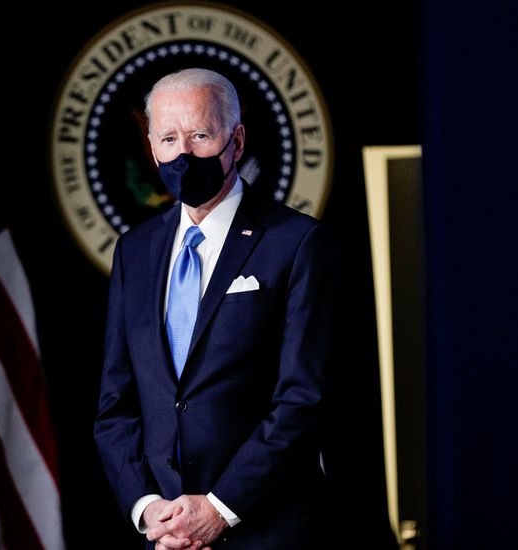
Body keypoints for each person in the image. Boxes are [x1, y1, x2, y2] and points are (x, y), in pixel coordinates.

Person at [94, 68, 332, 549]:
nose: (183, 153)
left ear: (236, 141)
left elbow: (303, 398)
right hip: (166, 536)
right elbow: (115, 407)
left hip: (269, 532)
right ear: (152, 145)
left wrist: (219, 509)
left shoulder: (296, 242)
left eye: (201, 135)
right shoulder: (134, 252)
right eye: (169, 138)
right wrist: (149, 510)